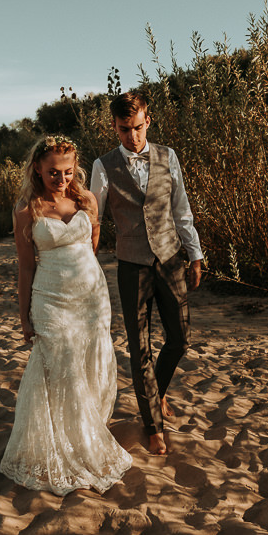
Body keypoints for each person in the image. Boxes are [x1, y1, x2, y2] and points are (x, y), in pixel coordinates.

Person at [0, 135, 132, 495]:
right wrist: (24, 317)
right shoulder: (27, 209)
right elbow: (26, 268)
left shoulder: (86, 199)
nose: (61, 179)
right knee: (59, 366)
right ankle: (56, 444)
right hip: (50, 299)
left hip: (90, 296)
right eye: (53, 173)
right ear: (38, 170)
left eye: (68, 171)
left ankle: (82, 437)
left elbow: (91, 246)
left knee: (90, 364)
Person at [90, 91, 203, 456]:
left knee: (180, 339)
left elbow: (181, 209)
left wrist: (195, 253)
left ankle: (157, 392)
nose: (132, 137)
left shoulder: (168, 157)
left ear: (147, 121)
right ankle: (152, 423)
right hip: (131, 265)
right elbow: (92, 220)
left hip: (170, 259)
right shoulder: (102, 166)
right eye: (124, 130)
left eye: (137, 128)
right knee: (139, 348)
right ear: (114, 127)